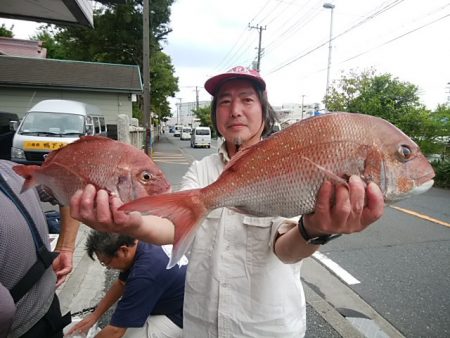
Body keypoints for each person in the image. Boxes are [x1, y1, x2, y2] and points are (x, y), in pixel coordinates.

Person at [70, 66, 385, 337]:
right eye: (224, 101)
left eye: (247, 99)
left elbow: (285, 250)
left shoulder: (289, 161)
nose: (235, 109)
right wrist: (131, 222)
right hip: (200, 325)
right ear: (215, 114)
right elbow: (170, 226)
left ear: (264, 110)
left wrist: (316, 228)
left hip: (266, 329)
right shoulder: (202, 169)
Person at [0, 159, 78, 337]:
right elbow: (67, 186)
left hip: (21, 328)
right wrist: (66, 248)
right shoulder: (10, 170)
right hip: (49, 308)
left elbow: (3, 311)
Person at [66, 231, 187, 338]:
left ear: (123, 250)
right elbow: (121, 284)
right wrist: (94, 315)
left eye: (107, 262)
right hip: (171, 298)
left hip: (180, 316)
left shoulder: (143, 275)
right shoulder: (141, 241)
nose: (108, 267)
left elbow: (116, 331)